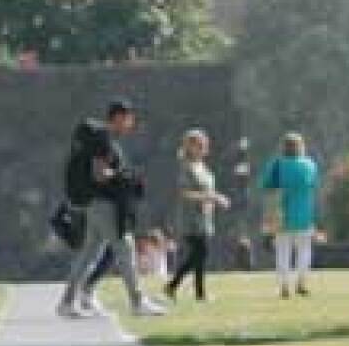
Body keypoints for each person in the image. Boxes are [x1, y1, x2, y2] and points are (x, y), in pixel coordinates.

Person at [59, 99, 165, 318]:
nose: (131, 123)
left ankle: (67, 302)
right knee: (124, 249)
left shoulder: (101, 139)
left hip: (95, 204)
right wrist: (125, 178)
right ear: (118, 117)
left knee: (89, 254)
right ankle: (137, 302)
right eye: (129, 119)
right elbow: (99, 173)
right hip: (105, 204)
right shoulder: (103, 140)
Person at [168, 127, 228, 303]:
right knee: (200, 253)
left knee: (200, 255)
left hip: (205, 217)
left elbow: (208, 189)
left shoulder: (202, 166)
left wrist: (215, 199)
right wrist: (213, 197)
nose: (204, 147)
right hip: (190, 218)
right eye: (200, 145)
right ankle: (185, 289)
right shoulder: (185, 167)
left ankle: (184, 290)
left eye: (205, 144)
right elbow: (185, 193)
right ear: (190, 146)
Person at [259, 130, 321, 298]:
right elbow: (315, 186)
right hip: (304, 214)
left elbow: (264, 185)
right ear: (301, 147)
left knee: (283, 252)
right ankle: (302, 283)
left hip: (282, 214)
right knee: (304, 251)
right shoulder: (310, 165)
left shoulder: (277, 164)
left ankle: (284, 286)